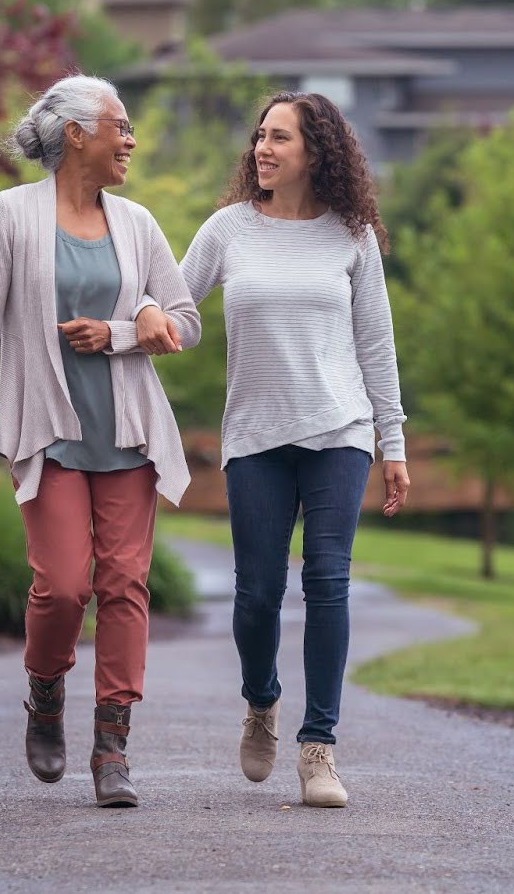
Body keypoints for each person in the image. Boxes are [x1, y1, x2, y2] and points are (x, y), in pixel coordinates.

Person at [137, 91, 410, 808]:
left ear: (316, 153)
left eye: (280, 138)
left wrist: (394, 441)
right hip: (255, 435)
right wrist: (137, 323)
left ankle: (319, 749)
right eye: (260, 136)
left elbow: (375, 346)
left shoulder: (353, 237)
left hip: (339, 432)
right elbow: (180, 311)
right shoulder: (228, 230)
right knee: (257, 596)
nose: (263, 148)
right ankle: (262, 701)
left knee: (327, 581)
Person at [0, 75, 198, 808]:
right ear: (76, 135)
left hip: (128, 434)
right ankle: (45, 694)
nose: (130, 140)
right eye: (119, 127)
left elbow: (183, 320)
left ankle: (112, 747)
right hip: (52, 432)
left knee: (124, 585)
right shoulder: (11, 214)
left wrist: (124, 332)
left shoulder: (139, 224)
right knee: (63, 586)